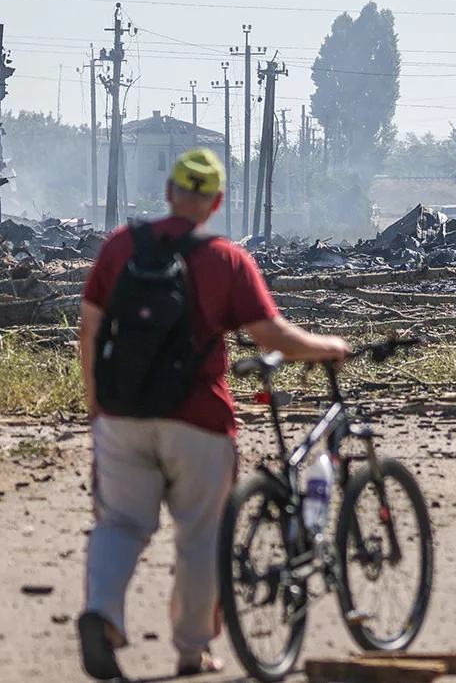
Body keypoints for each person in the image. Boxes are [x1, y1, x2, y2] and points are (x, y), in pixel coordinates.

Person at [76, 148, 350, 679]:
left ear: (170, 193)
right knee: (201, 535)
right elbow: (271, 338)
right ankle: (191, 649)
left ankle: (101, 613)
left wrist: (97, 409)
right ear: (217, 201)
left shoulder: (120, 248)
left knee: (119, 524)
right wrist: (326, 345)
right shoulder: (227, 258)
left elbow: (88, 329)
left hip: (121, 416)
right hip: (199, 420)